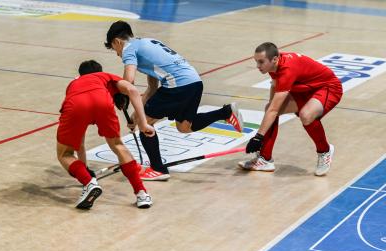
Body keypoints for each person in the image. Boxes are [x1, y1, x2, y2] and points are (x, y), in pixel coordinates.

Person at [104, 20, 244, 181]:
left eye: (115, 49)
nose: (117, 54)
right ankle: (225, 112)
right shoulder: (147, 43)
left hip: (178, 85)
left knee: (146, 125)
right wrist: (136, 115)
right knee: (185, 127)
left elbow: (129, 81)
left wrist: (120, 97)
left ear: (117, 41)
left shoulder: (129, 48)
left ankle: (158, 169)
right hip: (194, 82)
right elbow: (152, 88)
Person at [56, 60, 155, 209]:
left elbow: (80, 144)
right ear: (100, 71)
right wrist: (143, 123)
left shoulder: (74, 84)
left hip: (76, 104)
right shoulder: (105, 76)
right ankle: (142, 194)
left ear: (80, 74)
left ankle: (89, 184)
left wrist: (86, 177)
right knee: (117, 145)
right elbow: (133, 91)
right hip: (103, 101)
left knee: (65, 154)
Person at [238, 42, 342, 176]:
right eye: (256, 62)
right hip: (304, 89)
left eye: (261, 62)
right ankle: (265, 159)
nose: (258, 66)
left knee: (306, 115)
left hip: (328, 88)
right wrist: (271, 111)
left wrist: (258, 137)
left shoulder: (287, 69)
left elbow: (274, 109)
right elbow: (274, 96)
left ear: (274, 59)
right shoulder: (274, 65)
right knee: (270, 109)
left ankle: (324, 151)